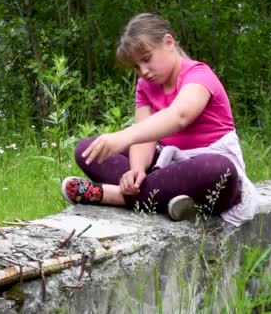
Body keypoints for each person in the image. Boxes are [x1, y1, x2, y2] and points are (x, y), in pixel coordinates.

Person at [61, 13, 259, 226]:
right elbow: (144, 136)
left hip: (207, 171)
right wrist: (135, 169)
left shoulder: (199, 75)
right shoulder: (145, 86)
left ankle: (116, 196)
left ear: (168, 42)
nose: (144, 71)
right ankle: (169, 200)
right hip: (166, 168)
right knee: (88, 149)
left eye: (146, 59)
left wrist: (123, 137)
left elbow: (179, 116)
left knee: (217, 168)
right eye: (136, 66)